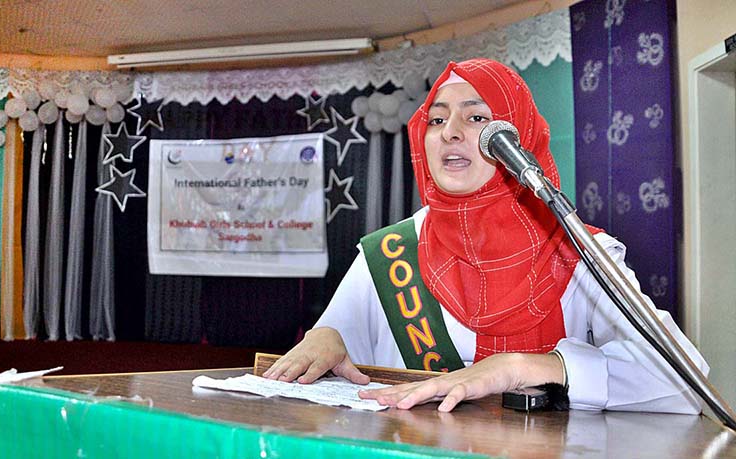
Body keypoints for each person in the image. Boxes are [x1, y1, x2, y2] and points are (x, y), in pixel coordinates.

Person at [263, 58, 708, 414]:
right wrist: (326, 339)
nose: (450, 133)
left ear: (521, 137)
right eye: (436, 121)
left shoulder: (578, 250)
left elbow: (683, 379)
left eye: (477, 117)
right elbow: (341, 346)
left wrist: (523, 366)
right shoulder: (389, 253)